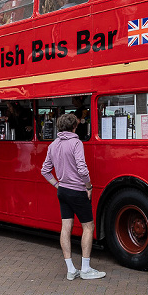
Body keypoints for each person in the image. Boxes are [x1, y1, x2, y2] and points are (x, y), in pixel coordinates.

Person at [41, 113, 106, 280]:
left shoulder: (53, 145)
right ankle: (85, 269)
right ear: (74, 127)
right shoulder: (76, 143)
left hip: (62, 191)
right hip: (77, 191)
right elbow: (82, 169)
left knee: (66, 228)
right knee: (88, 227)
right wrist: (89, 186)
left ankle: (71, 269)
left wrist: (57, 185)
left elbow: (45, 171)